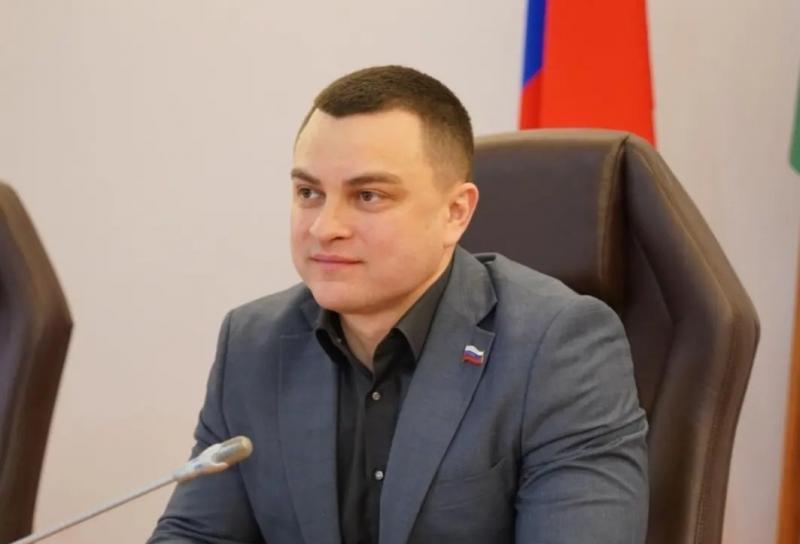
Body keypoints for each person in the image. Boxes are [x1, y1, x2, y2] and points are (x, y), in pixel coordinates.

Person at [149, 65, 648, 544]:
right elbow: (197, 534)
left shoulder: (557, 346)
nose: (325, 227)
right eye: (309, 192)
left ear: (455, 213)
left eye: (368, 196)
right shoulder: (253, 342)